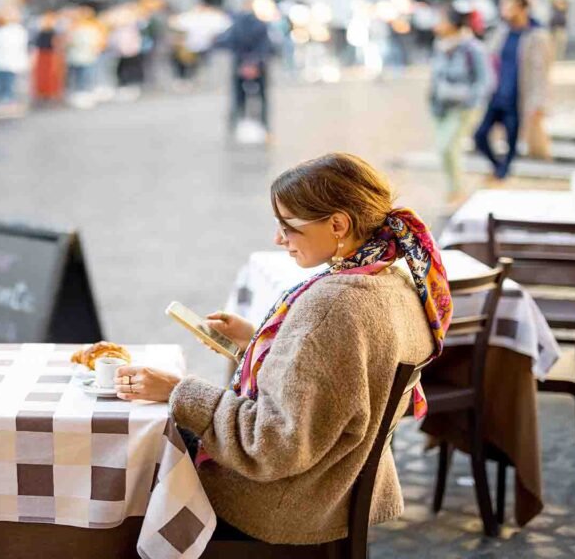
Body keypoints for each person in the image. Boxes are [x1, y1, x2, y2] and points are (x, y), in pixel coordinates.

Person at [112, 153, 450, 545]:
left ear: (338, 224)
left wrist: (177, 391)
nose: (278, 239)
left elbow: (272, 443)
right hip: (336, 484)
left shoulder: (335, 304)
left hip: (287, 504)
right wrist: (258, 343)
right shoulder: (394, 279)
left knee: (133, 477)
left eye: (288, 226)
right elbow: (336, 384)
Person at [473, 0, 552, 182]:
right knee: (480, 135)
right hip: (497, 94)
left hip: (519, 97)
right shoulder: (501, 31)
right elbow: (488, 58)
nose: (505, 11)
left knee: (512, 140)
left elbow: (541, 73)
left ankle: (503, 174)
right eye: (503, 6)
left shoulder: (537, 36)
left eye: (510, 6)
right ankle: (499, 168)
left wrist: (538, 103)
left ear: (523, 8)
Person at [429, 7, 493, 204]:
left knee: (450, 146)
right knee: (443, 149)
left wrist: (471, 101)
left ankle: (457, 190)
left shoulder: (472, 48)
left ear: (453, 24)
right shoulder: (439, 46)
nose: (436, 24)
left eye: (441, 20)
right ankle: (453, 189)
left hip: (463, 108)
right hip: (441, 107)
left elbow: (486, 80)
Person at [216, 0, 275, 139]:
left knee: (238, 97)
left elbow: (227, 42)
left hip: (240, 65)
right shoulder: (261, 25)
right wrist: (254, 62)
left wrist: (244, 62)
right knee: (262, 97)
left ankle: (236, 125)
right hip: (258, 66)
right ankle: (265, 126)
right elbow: (266, 46)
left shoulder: (236, 25)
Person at [0, 9, 30, 118]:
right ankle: (3, 104)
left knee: (9, 85)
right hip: (0, 63)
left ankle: (8, 105)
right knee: (1, 85)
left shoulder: (17, 31)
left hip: (10, 63)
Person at [33, 11, 64, 103]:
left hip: (51, 55)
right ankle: (43, 92)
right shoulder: (42, 32)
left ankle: (51, 92)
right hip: (43, 55)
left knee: (51, 74)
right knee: (43, 75)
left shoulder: (53, 32)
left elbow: (56, 44)